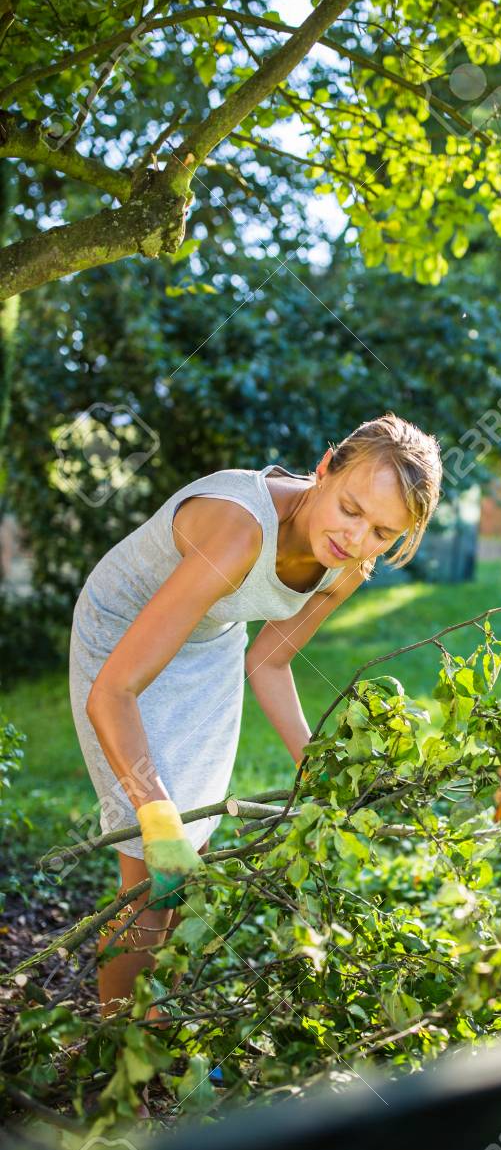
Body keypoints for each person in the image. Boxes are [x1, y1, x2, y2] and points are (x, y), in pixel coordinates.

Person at [68, 412, 442, 1023]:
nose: (357, 538)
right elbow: (112, 693)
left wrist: (315, 765)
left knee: (191, 867)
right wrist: (153, 808)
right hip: (120, 635)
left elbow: (266, 662)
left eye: (382, 531)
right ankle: (118, 1066)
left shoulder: (347, 563)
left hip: (210, 635)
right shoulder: (239, 532)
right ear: (324, 469)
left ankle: (157, 1018)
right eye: (350, 509)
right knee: (149, 876)